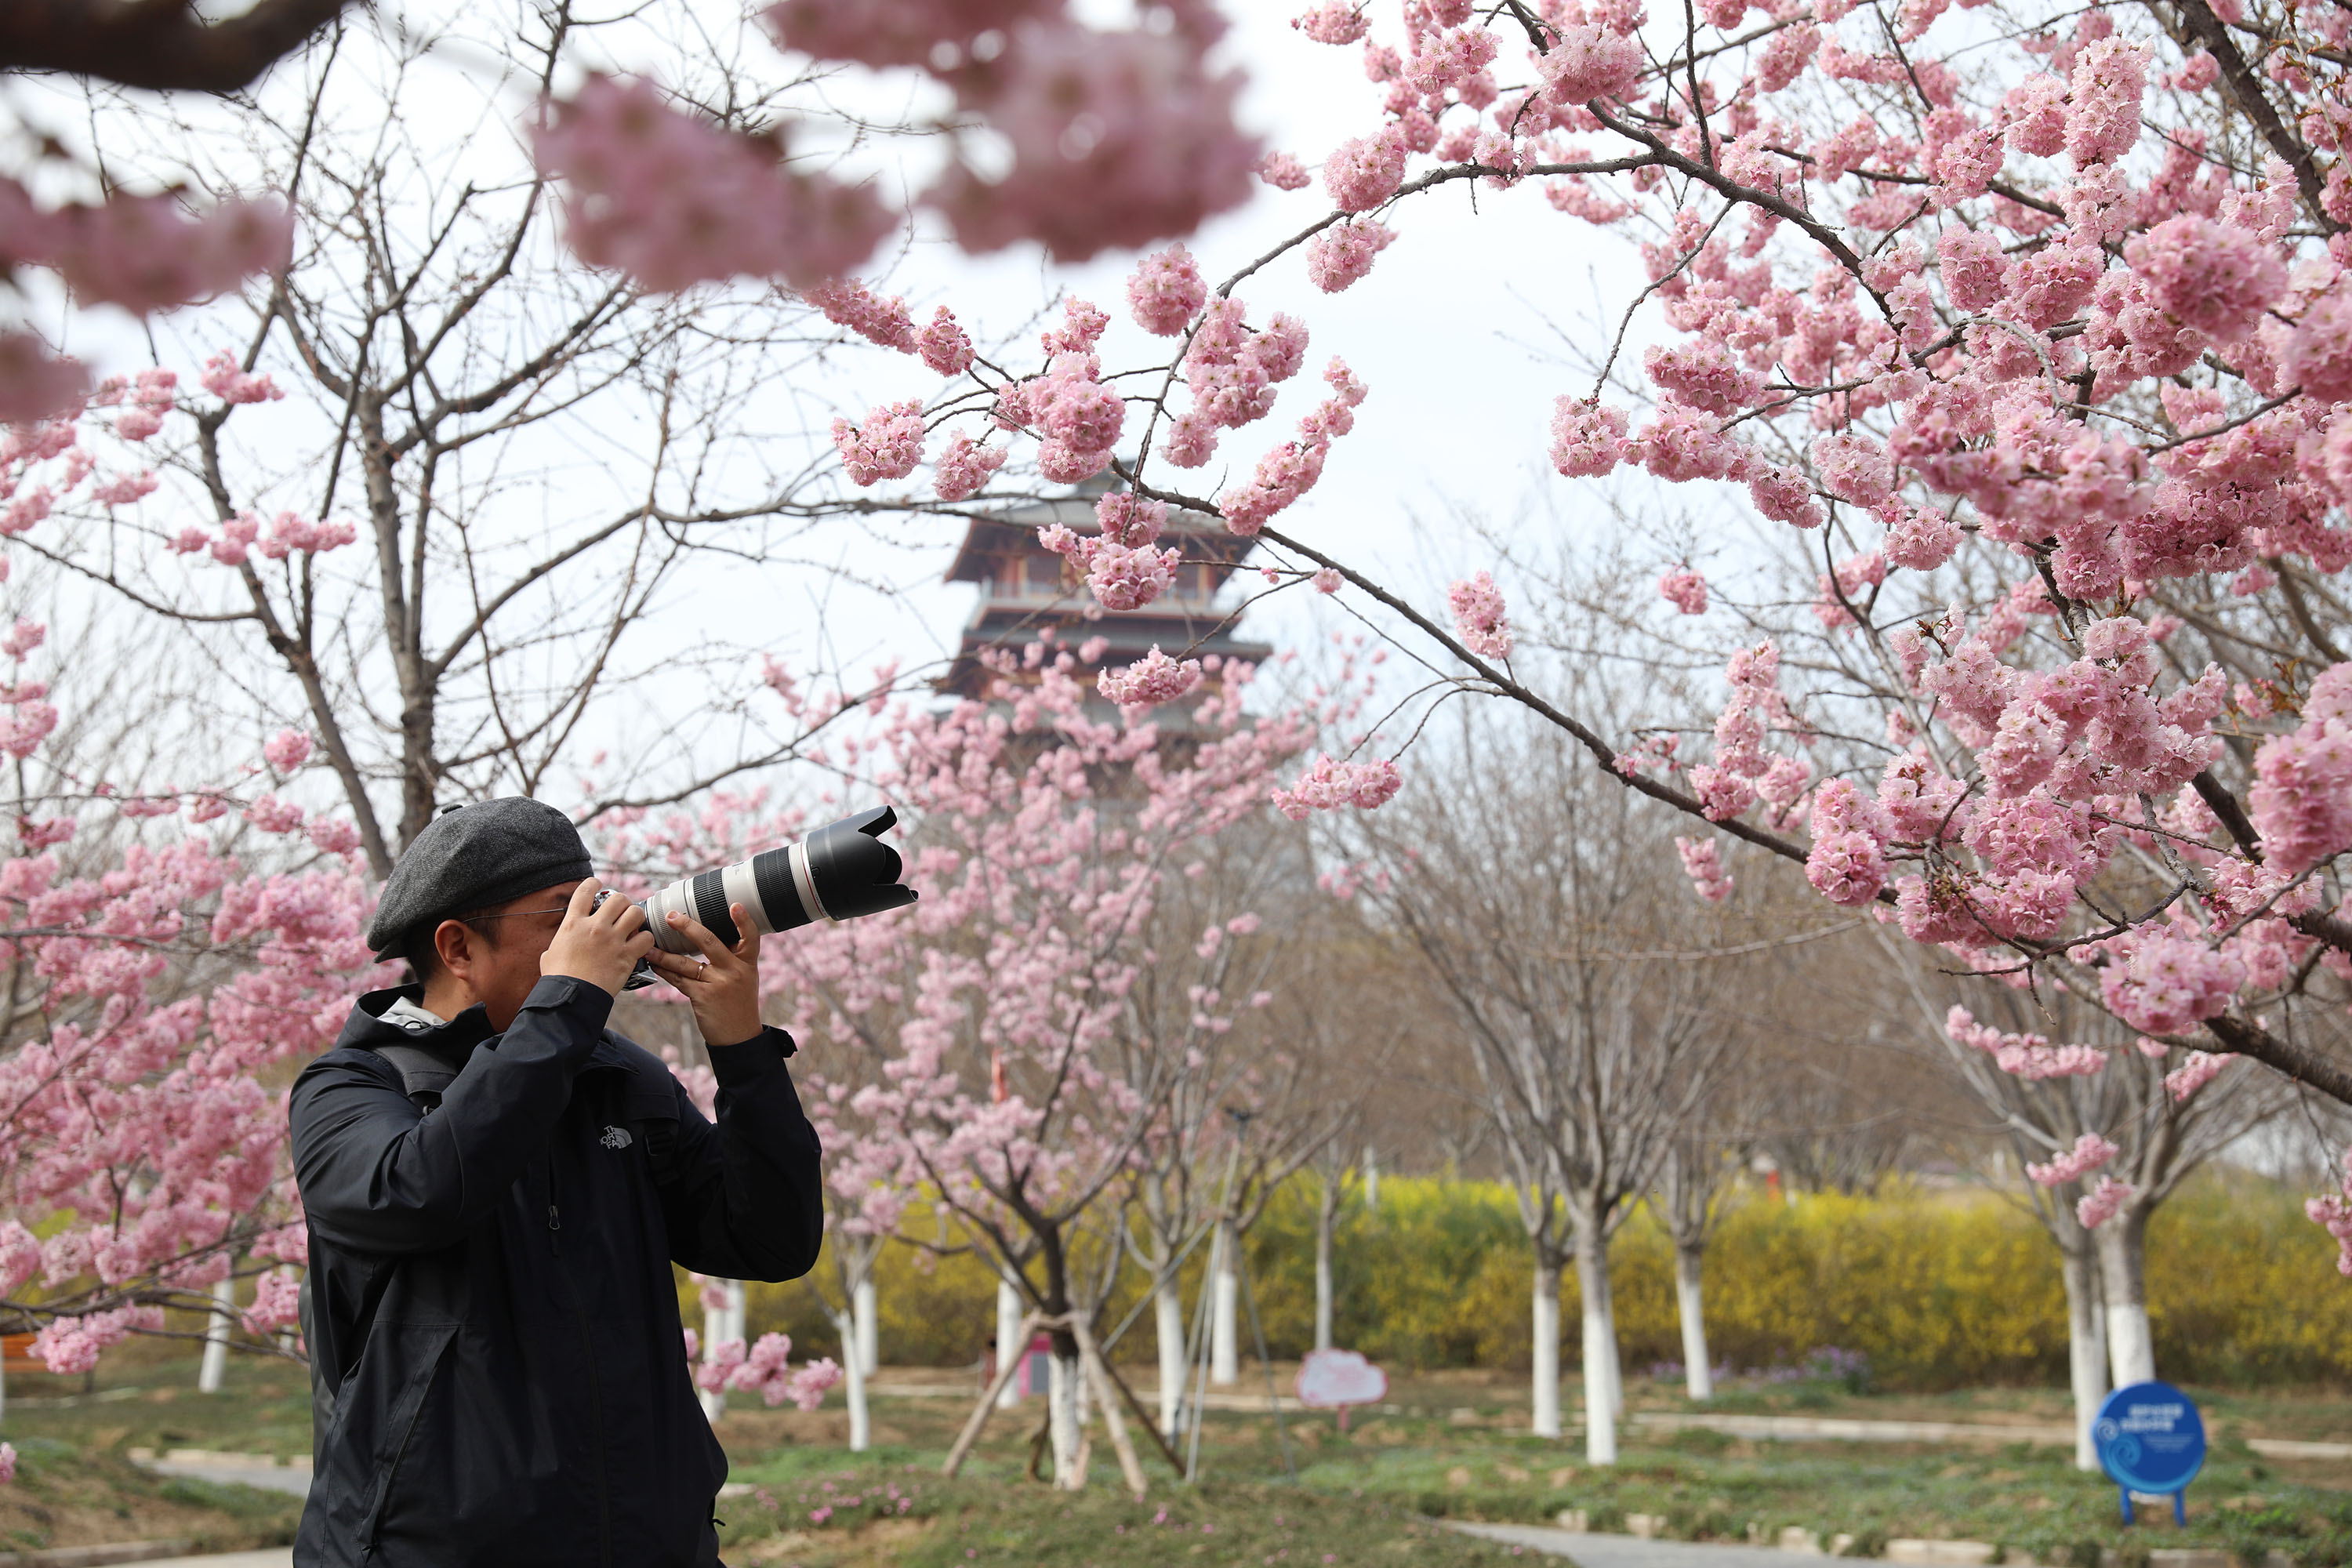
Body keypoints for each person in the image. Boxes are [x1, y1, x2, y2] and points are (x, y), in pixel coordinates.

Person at [289, 797, 823, 1568]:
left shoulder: (614, 1077)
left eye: (599, 905)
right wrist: (566, 1004)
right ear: (458, 945)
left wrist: (742, 1046)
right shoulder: (351, 1087)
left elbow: (770, 1237)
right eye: (565, 917)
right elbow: (416, 1193)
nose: (606, 932)